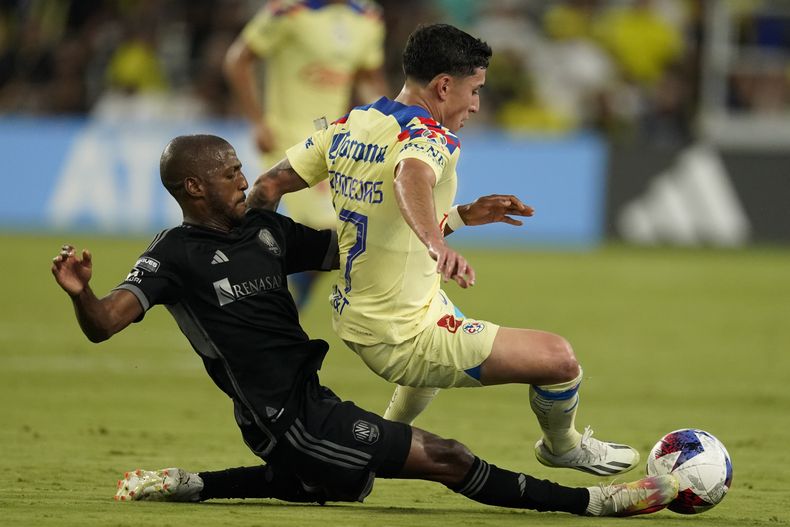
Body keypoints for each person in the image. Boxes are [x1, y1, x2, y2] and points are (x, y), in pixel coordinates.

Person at [52, 134, 677, 516]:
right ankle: (594, 502)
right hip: (284, 418)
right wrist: (83, 293)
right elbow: (106, 322)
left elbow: (357, 249)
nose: (245, 180)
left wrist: (457, 217)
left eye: (242, 168)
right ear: (192, 187)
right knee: (447, 457)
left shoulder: (265, 230)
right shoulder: (173, 255)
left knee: (345, 484)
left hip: (307, 399)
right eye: (228, 174)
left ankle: (192, 484)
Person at [248, 22, 641, 476]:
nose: (475, 105)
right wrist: (436, 243)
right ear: (443, 85)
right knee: (559, 360)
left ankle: (372, 451)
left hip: (360, 311)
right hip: (401, 334)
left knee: (435, 341)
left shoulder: (351, 124)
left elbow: (268, 185)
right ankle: (562, 446)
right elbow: (409, 178)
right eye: (474, 91)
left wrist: (459, 217)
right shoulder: (431, 138)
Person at [224, 0, 388, 307]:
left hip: (334, 140)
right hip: (287, 138)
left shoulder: (368, 18)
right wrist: (258, 120)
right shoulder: (288, 11)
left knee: (342, 236)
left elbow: (367, 77)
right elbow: (238, 60)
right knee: (331, 230)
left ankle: (274, 301)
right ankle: (258, 301)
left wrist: (388, 122)